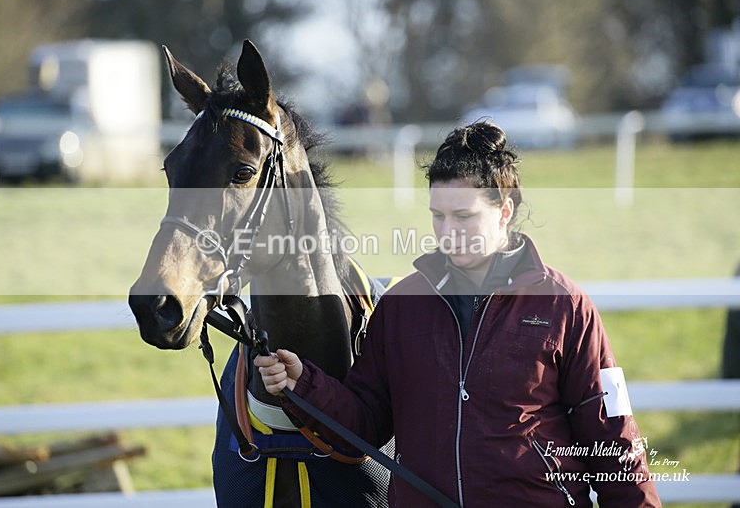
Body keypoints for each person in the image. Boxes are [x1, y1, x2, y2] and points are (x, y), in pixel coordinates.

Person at [255, 120, 661, 507]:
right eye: (438, 216)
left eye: (463, 216)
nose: (448, 231)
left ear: (504, 210)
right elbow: (365, 422)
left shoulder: (566, 306)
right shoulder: (400, 307)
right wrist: (303, 384)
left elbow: (615, 440)